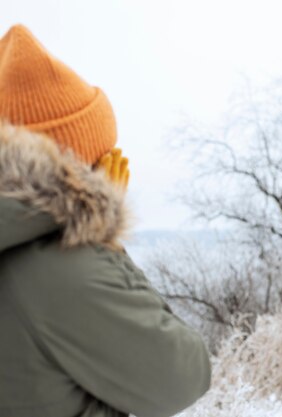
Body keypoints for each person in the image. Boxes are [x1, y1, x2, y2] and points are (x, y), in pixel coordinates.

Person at [0, 25, 211, 417]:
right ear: (78, 166)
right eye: (104, 151)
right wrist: (101, 234)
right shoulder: (63, 268)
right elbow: (182, 376)